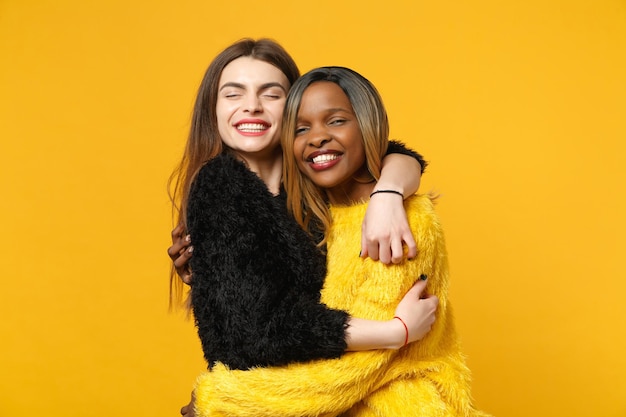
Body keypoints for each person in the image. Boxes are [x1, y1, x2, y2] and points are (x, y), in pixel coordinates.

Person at [186, 66, 489, 417]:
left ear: (367, 125)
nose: (317, 138)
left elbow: (363, 367)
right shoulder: (315, 212)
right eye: (302, 128)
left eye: (336, 121)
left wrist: (222, 399)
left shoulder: (399, 224)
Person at [167, 37, 438, 399]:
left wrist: (387, 194)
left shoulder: (314, 173)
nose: (252, 107)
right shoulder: (220, 186)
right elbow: (258, 331)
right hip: (270, 398)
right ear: (212, 110)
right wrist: (395, 333)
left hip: (336, 392)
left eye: (271, 94)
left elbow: (390, 153)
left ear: (294, 106)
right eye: (233, 94)